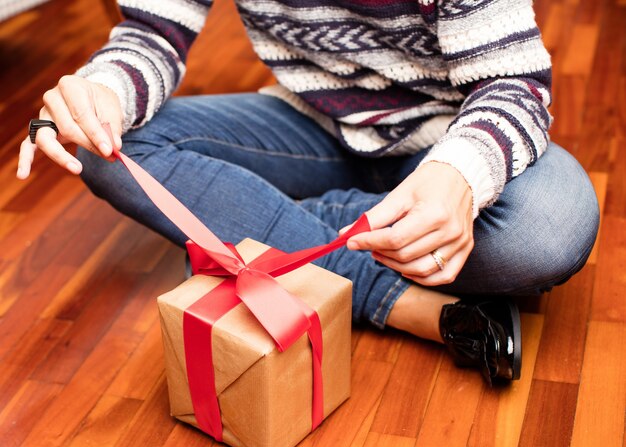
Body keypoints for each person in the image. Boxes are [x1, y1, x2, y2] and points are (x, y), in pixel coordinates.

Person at [18, 0, 599, 385]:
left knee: (548, 228)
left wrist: (462, 175)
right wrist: (100, 94)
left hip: (444, 136)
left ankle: (273, 225)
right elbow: (150, 35)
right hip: (309, 124)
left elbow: (515, 84)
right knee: (105, 151)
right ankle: (398, 303)